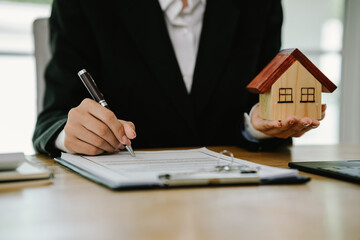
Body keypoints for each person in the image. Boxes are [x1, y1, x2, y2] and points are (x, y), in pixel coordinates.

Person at [33, 0, 325, 157]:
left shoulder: (260, 5)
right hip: (123, 209)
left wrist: (259, 126)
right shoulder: (83, 5)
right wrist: (71, 133)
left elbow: (255, 104)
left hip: (234, 199)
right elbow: (52, 120)